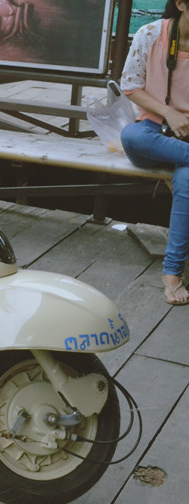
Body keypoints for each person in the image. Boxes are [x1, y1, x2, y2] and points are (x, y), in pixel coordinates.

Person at [120, 0, 189, 305]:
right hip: (155, 129)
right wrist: (169, 113)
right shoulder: (150, 34)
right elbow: (131, 86)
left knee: (187, 178)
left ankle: (172, 272)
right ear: (181, 4)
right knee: (131, 136)